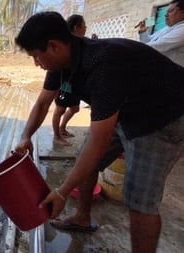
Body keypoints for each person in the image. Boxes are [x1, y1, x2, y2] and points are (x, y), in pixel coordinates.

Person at [14, 11, 184, 253]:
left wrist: (61, 193)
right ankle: (82, 217)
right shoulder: (60, 62)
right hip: (128, 109)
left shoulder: (103, 64)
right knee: (86, 162)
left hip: (163, 117)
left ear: (53, 46)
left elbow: (99, 139)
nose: (36, 64)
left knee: (139, 198)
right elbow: (43, 103)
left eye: (36, 57)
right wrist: (25, 136)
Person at [52, 14, 86, 146]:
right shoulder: (67, 44)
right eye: (84, 26)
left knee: (75, 108)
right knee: (60, 110)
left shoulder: (82, 44)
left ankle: (62, 129)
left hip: (75, 83)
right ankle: (56, 136)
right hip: (65, 82)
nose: (85, 29)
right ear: (77, 27)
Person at [138, 0, 184, 67]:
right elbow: (148, 42)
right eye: (166, 12)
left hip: (171, 74)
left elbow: (157, 46)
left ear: (183, 13)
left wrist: (130, 47)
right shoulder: (167, 28)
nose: (165, 15)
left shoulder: (182, 29)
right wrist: (143, 31)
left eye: (170, 11)